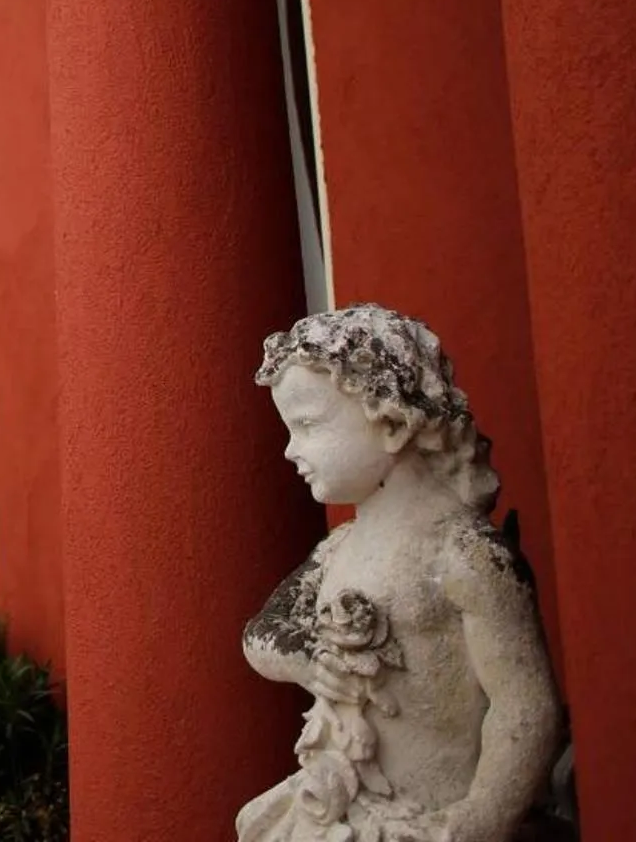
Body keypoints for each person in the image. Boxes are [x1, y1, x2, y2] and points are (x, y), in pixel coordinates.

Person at [238, 305, 563, 842]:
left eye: (308, 426)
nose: (291, 450)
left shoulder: (464, 553)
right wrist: (307, 659)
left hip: (430, 823)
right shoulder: (338, 548)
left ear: (390, 422)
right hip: (341, 816)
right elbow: (259, 633)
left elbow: (524, 706)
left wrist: (479, 818)